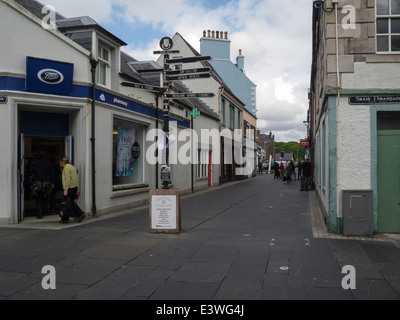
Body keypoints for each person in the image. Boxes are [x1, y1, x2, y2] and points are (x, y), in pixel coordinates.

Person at [60, 158, 85, 223]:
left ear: (63, 163)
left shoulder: (66, 168)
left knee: (68, 203)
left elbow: (68, 179)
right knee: (68, 203)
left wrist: (66, 189)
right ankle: (65, 218)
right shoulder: (73, 167)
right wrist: (77, 189)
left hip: (69, 188)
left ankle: (80, 214)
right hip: (74, 187)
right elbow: (75, 178)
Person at [31, 149, 54, 219]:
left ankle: (39, 213)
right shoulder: (49, 163)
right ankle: (43, 211)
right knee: (46, 197)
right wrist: (52, 183)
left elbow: (32, 172)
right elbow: (51, 174)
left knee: (39, 199)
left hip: (38, 183)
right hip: (46, 182)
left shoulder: (35, 162)